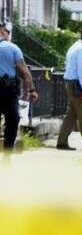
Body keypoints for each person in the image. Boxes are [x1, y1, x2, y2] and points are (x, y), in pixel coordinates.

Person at [0, 21, 37, 153]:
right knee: (13, 119)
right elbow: (24, 71)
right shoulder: (13, 48)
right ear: (3, 32)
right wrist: (32, 90)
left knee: (13, 119)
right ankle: (7, 152)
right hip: (9, 90)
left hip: (8, 90)